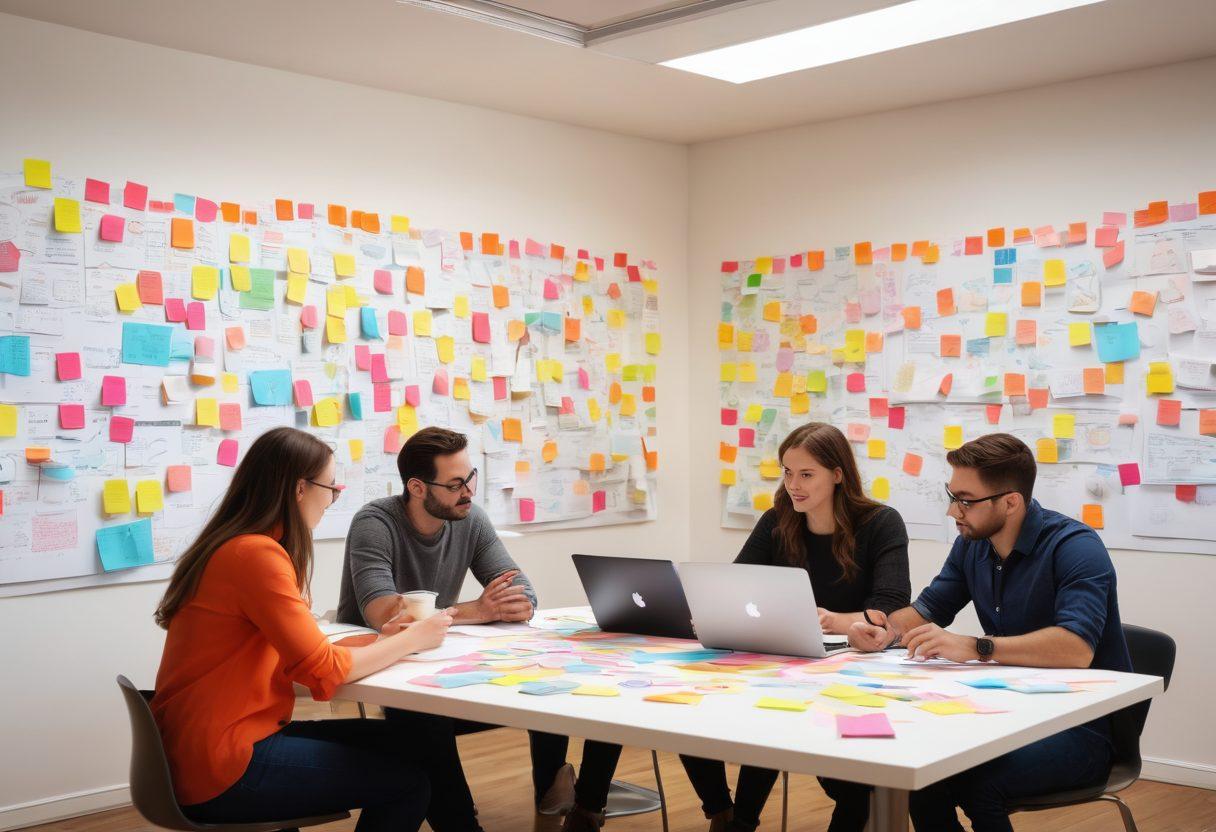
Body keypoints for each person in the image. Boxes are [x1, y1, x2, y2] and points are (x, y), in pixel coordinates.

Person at [152, 426, 454, 832]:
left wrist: (387, 639)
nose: (332, 498)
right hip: (226, 761)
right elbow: (323, 671)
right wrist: (414, 638)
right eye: (331, 487)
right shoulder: (256, 556)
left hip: (210, 744)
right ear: (299, 489)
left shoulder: (234, 546)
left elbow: (304, 654)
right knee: (409, 784)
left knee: (415, 744)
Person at [337, 426, 623, 832]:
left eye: (470, 478)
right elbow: (383, 614)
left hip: (437, 655)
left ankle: (553, 796)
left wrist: (490, 608)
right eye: (455, 485)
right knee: (428, 719)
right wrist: (472, 610)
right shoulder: (375, 522)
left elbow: (522, 593)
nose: (468, 492)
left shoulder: (469, 519)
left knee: (548, 684)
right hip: (378, 663)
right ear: (417, 488)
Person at [849, 433, 1132, 832]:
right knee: (917, 770)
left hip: (1079, 730)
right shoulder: (972, 544)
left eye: (965, 500)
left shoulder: (1075, 547)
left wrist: (976, 647)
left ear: (1011, 502)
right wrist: (888, 632)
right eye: (951, 495)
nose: (953, 512)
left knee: (976, 783)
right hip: (1004, 715)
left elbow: (1075, 649)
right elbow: (931, 607)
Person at [680, 422, 911, 832]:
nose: (793, 485)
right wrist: (713, 608)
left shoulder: (880, 522)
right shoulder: (778, 520)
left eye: (806, 475)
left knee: (851, 789)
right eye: (787, 473)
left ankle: (742, 820)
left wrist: (833, 620)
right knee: (688, 712)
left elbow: (890, 607)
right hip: (786, 659)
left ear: (838, 475)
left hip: (855, 668)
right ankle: (730, 815)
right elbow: (737, 582)